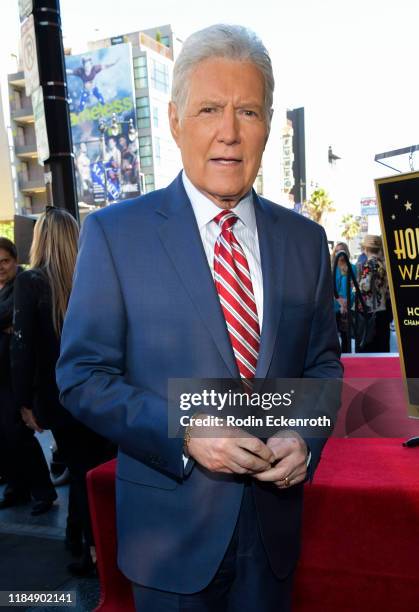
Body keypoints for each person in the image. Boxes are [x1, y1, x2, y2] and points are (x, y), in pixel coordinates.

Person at [57, 24, 342, 611]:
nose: (229, 134)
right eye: (210, 108)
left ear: (268, 125)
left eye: (250, 111)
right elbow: (82, 376)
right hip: (169, 539)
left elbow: (321, 367)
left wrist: (305, 438)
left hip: (274, 536)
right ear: (174, 120)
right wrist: (185, 430)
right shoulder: (116, 235)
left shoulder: (307, 242)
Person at [10, 209, 115, 574]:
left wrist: (23, 402)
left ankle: (93, 551)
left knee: (82, 470)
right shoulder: (93, 277)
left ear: (41, 238)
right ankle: (82, 539)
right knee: (90, 467)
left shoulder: (32, 281)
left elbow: (22, 348)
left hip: (59, 397)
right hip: (102, 392)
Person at [0, 237, 56, 515]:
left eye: (5, 261)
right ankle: (16, 487)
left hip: (16, 375)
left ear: (15, 260)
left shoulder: (25, 283)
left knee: (18, 434)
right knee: (3, 437)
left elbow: (14, 320)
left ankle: (43, 491)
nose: (1, 267)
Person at [358, 234, 390, 352]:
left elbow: (365, 287)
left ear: (366, 249)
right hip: (383, 308)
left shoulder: (369, 264)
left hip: (371, 311)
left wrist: (356, 285)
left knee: (369, 347)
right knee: (382, 345)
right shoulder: (383, 263)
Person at [331, 242, 357, 353]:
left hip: (348, 305)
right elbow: (329, 287)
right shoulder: (331, 268)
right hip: (333, 305)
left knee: (346, 335)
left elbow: (355, 287)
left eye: (342, 250)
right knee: (332, 336)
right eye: (337, 250)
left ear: (346, 252)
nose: (339, 253)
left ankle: (347, 357)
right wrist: (340, 301)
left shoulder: (353, 268)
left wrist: (346, 302)